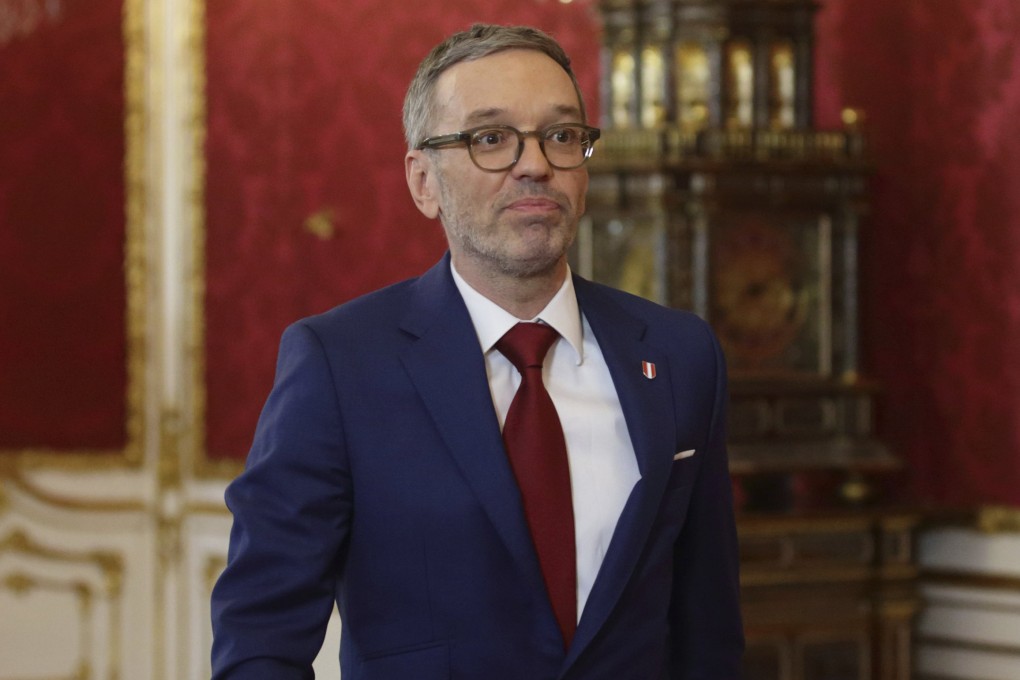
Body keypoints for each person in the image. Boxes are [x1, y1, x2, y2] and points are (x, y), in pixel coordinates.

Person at [210, 23, 743, 680]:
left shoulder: (680, 356)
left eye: (561, 135)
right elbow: (260, 639)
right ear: (423, 182)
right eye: (490, 139)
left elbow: (708, 633)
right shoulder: (339, 365)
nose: (535, 164)